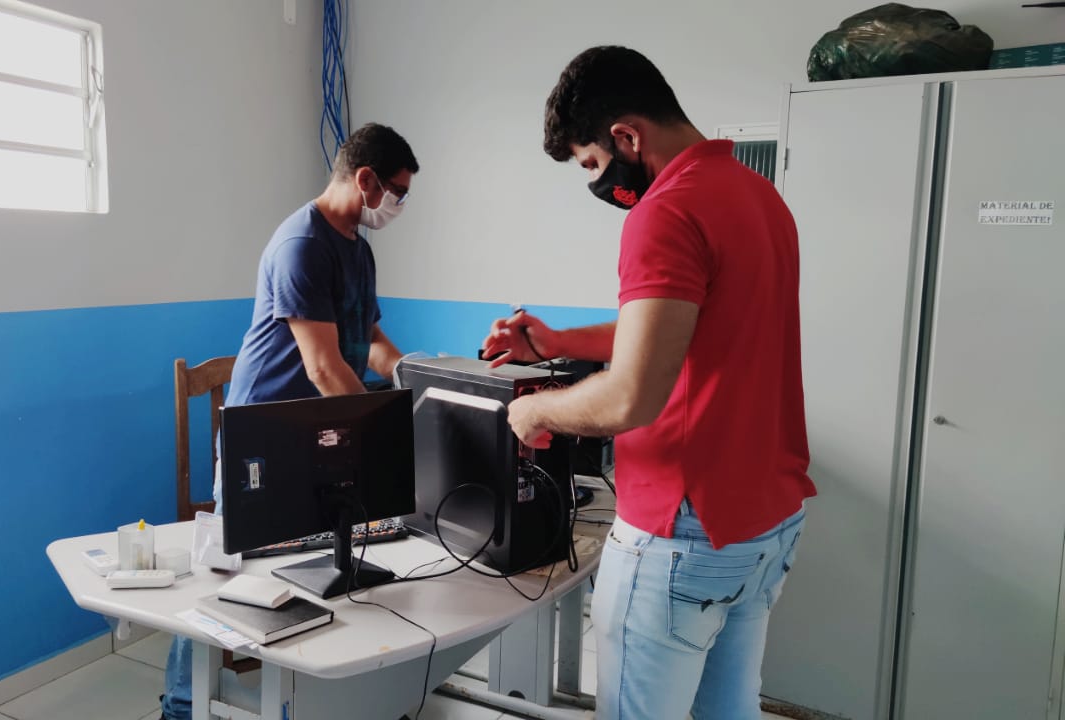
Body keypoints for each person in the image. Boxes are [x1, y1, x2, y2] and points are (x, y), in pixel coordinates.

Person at [481, 46, 816, 720]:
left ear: (626, 137)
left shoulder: (664, 212)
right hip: (765, 522)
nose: (597, 181)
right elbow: (677, 328)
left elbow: (632, 396)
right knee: (729, 711)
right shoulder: (758, 195)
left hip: (682, 530)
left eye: (592, 164)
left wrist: (536, 412)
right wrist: (557, 343)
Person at [161, 122, 418, 720]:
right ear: (366, 179)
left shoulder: (359, 248)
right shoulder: (301, 245)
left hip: (315, 429)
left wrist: (417, 379)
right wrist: (383, 431)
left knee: (328, 558)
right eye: (397, 192)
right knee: (229, 577)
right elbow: (324, 367)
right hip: (264, 435)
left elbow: (369, 340)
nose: (399, 205)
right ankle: (180, 705)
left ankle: (308, 700)